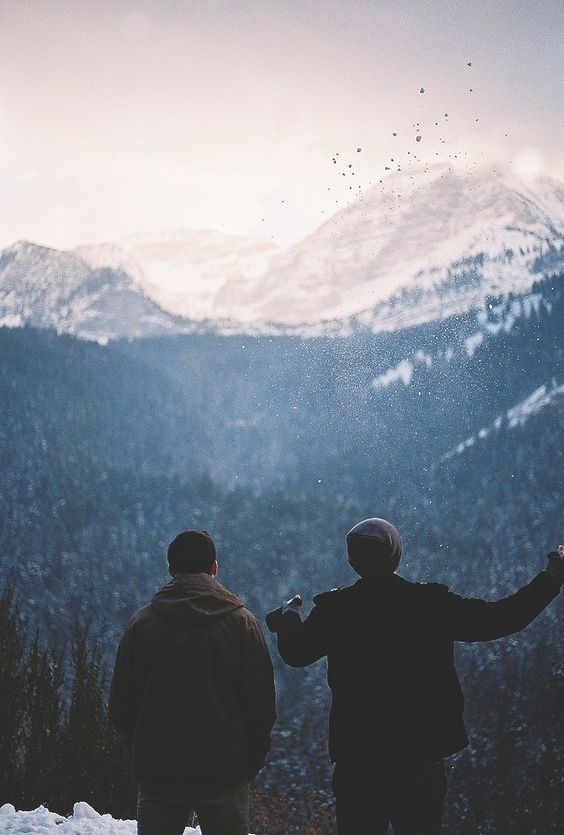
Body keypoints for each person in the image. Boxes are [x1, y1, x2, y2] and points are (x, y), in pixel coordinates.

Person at [266, 517, 564, 835]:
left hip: (358, 760)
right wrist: (553, 575)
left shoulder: (336, 609)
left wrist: (289, 617)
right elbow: (503, 617)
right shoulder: (430, 604)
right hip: (420, 758)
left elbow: (296, 654)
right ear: (395, 556)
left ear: (353, 560)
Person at [109, 529, 276, 835]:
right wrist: (248, 762)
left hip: (160, 772)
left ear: (170, 569)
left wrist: (143, 752)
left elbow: (121, 704)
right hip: (225, 772)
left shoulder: (142, 624)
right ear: (214, 568)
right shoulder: (242, 624)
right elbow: (261, 705)